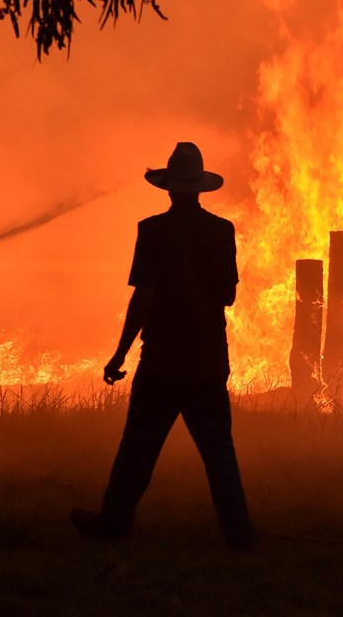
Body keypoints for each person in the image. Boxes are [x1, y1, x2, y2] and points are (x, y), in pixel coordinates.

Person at [71, 142, 254, 550]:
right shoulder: (221, 231)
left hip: (162, 360)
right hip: (207, 359)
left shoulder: (152, 230)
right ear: (200, 189)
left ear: (169, 189)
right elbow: (228, 296)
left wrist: (120, 354)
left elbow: (144, 297)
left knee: (138, 446)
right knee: (219, 452)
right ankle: (240, 536)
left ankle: (114, 522)